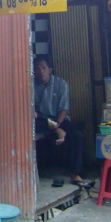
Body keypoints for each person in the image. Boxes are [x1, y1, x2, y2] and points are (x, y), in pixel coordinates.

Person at [33, 55, 86, 187]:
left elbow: (64, 109)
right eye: (38, 68)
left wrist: (57, 124)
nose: (41, 71)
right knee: (32, 125)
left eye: (43, 68)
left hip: (60, 120)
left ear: (50, 69)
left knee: (77, 136)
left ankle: (75, 174)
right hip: (41, 121)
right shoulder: (31, 85)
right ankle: (57, 132)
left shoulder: (61, 84)